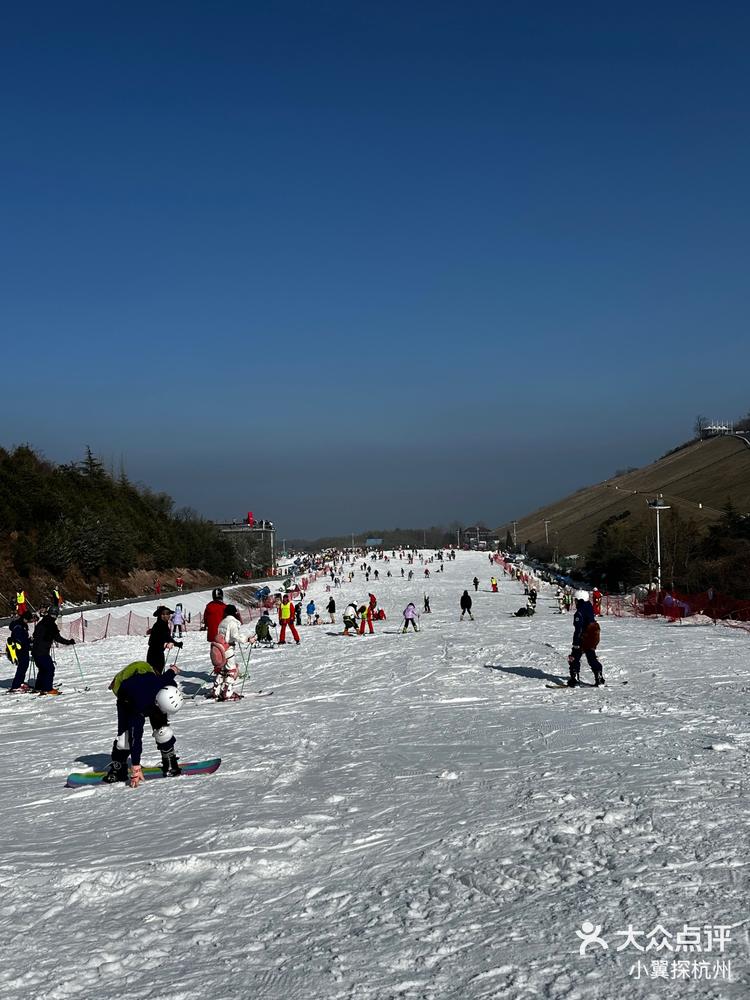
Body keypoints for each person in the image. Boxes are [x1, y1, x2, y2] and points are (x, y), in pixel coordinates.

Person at [103, 660, 183, 785]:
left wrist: (174, 670)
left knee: (163, 731)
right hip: (126, 698)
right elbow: (136, 737)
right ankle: (118, 767)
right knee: (125, 739)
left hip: (148, 681)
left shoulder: (166, 687)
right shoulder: (139, 704)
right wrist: (136, 766)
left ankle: (169, 759)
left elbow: (167, 676)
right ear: (158, 703)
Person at [212, 604, 254, 701]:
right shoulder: (233, 623)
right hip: (228, 648)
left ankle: (216, 690)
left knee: (222, 670)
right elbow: (235, 636)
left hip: (220, 649)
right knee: (231, 670)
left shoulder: (222, 622)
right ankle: (228, 692)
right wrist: (247, 639)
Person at [31, 606, 75, 694]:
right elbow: (57, 638)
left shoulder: (41, 622)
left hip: (35, 650)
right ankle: (47, 689)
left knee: (43, 669)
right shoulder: (51, 624)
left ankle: (38, 687)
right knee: (49, 669)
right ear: (55, 615)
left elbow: (35, 634)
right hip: (42, 651)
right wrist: (69, 642)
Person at [568, 590, 605, 687]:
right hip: (592, 637)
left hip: (583, 638)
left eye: (576, 600)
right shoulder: (589, 608)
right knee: (591, 657)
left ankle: (574, 679)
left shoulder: (579, 613)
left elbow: (578, 629)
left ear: (580, 600)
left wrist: (576, 642)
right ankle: (599, 677)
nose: (575, 602)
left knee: (574, 658)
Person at [6, 610, 34, 692]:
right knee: (22, 666)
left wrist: (29, 640)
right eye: (28, 620)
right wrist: (28, 644)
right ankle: (16, 685)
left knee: (24, 665)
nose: (28, 622)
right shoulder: (18, 625)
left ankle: (20, 683)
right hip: (19, 649)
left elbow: (24, 638)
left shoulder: (23, 624)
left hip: (23, 648)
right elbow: (19, 638)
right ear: (25, 618)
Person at [147, 606, 181, 674]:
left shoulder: (165, 625)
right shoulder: (157, 625)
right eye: (163, 614)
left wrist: (176, 643)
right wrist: (165, 644)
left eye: (168, 614)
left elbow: (168, 637)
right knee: (155, 673)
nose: (166, 616)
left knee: (159, 671)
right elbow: (152, 642)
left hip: (160, 653)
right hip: (154, 654)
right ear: (159, 615)